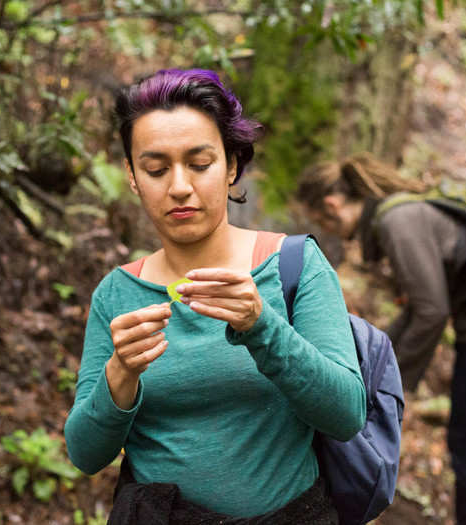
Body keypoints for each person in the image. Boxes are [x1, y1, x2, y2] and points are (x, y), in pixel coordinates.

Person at [64, 69, 366, 524]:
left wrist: (262, 326)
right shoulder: (118, 293)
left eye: (200, 164)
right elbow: (85, 454)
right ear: (131, 175)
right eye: (156, 169)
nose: (179, 186)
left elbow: (346, 413)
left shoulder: (294, 266)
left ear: (231, 166)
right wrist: (120, 375)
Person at [296, 153, 466, 525]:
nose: (332, 232)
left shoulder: (397, 221)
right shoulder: (399, 215)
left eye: (322, 222)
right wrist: (379, 360)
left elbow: (431, 310)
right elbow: (419, 309)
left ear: (332, 206)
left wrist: (396, 384)